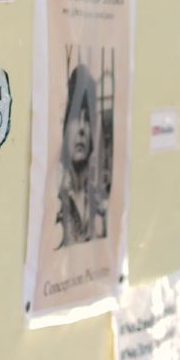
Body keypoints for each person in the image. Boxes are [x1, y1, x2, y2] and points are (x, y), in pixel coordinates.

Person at [56, 62, 109, 247]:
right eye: (75, 118)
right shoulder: (55, 200)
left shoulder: (100, 205)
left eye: (87, 120)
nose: (81, 129)